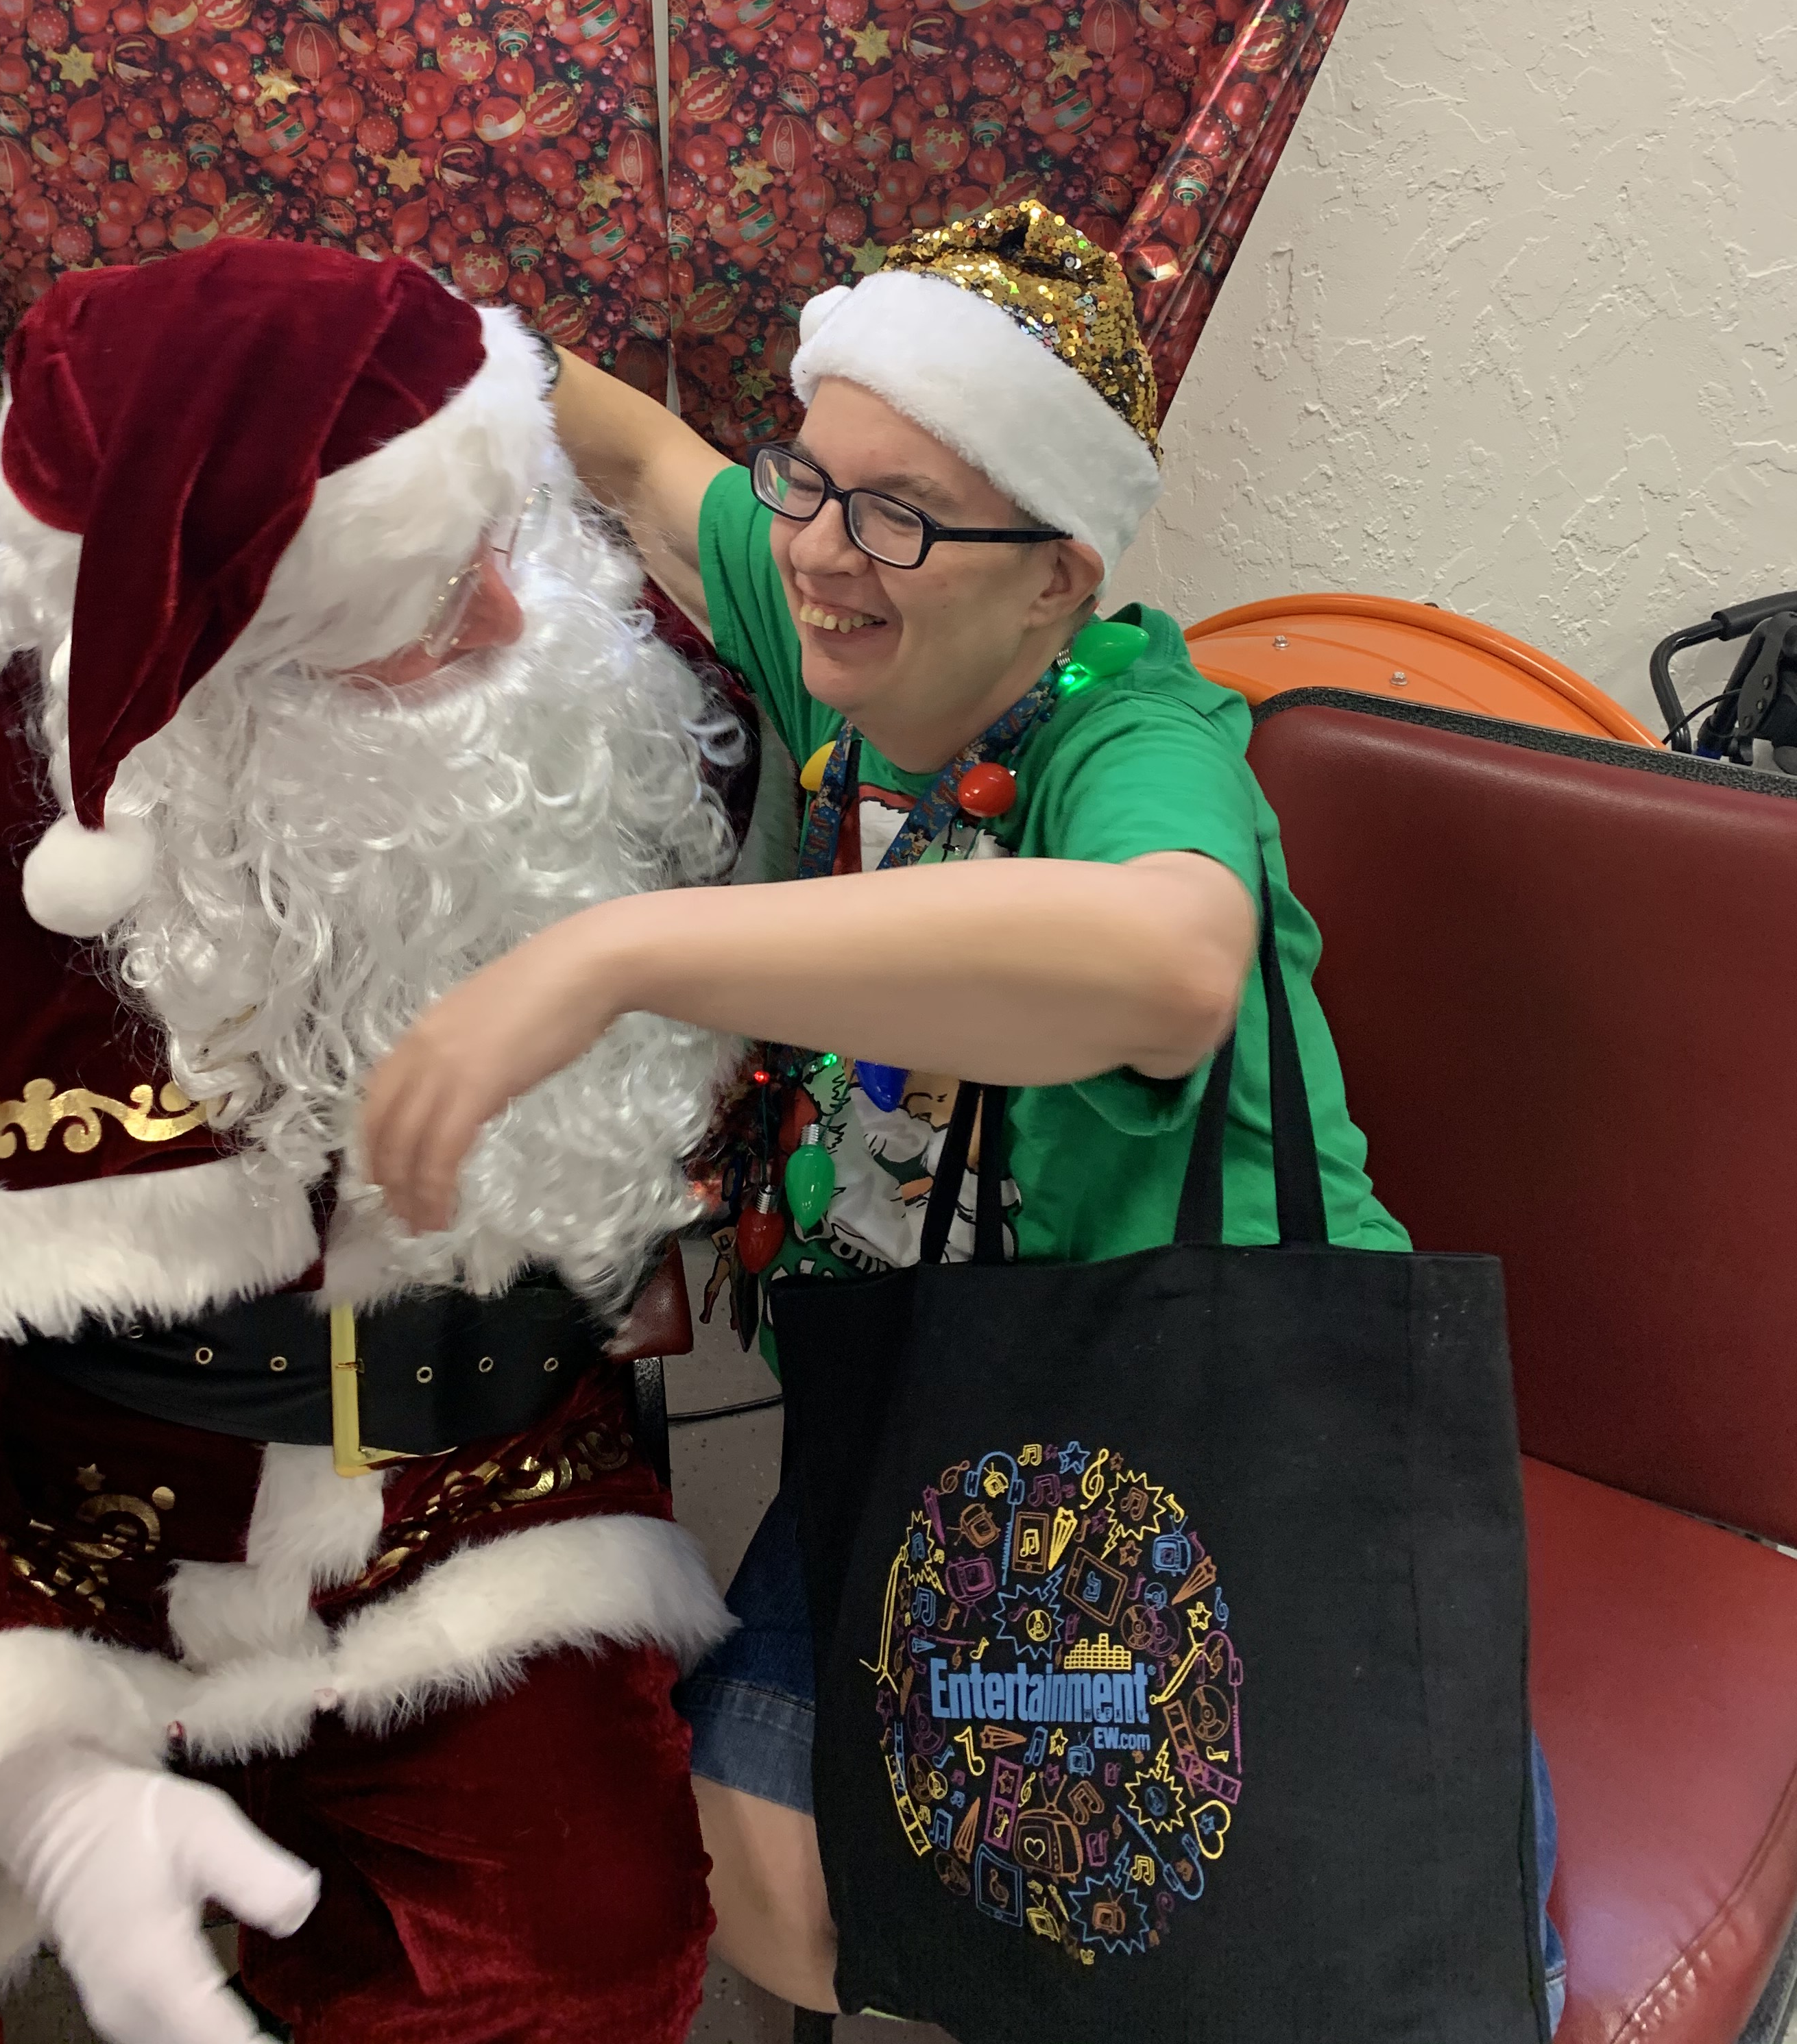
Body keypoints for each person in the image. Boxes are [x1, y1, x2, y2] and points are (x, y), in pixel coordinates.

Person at [360, 196, 1568, 2034]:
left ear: (1059, 577)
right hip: (943, 1425)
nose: (819, 548)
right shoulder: (850, 640)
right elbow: (633, 453)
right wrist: (367, 336)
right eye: (810, 480)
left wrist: (615, 956)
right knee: (765, 1868)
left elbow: (1170, 960)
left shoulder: (1131, 744)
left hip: (1197, 1419)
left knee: (1325, 1923)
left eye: (900, 512)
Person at [0, 237, 754, 2044]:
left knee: (583, 1954)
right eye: (427, 597)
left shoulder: (597, 692)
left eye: (504, 535)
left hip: (481, 1515)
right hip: (31, 1537)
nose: (512, 622)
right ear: (215, 666)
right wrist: (25, 1774)